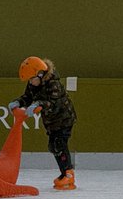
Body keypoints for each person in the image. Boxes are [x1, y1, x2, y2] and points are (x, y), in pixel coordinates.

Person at [9, 56, 77, 189]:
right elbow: (28, 97)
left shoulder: (53, 84)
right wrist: (19, 102)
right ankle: (64, 174)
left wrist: (39, 104)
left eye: (32, 79)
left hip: (64, 119)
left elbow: (54, 103)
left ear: (40, 74)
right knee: (53, 146)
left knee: (59, 144)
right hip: (51, 122)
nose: (31, 82)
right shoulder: (33, 83)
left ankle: (69, 175)